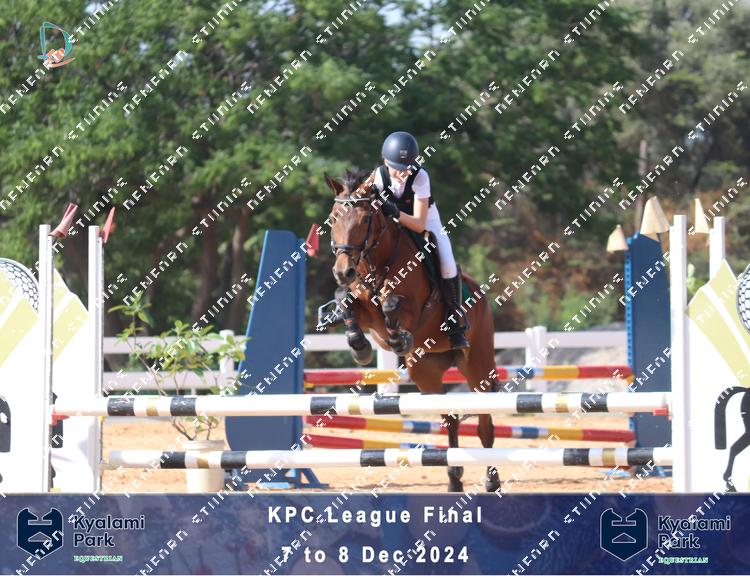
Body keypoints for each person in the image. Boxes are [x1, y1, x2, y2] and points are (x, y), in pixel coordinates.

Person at [320, 131, 469, 350]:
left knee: (447, 263)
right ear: (384, 162)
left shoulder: (420, 177)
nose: (401, 173)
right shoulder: (378, 176)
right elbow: (353, 201)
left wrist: (395, 212)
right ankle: (344, 306)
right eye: (396, 168)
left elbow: (419, 224)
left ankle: (455, 319)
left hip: (425, 220)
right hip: (392, 221)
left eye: (406, 167)